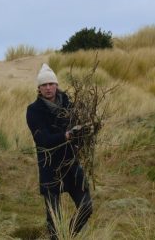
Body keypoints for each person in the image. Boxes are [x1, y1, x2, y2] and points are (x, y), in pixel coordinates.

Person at [26, 63, 92, 239]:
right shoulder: (33, 111)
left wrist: (88, 130)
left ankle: (68, 235)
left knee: (86, 206)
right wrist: (67, 135)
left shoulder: (69, 104)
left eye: (51, 84)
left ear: (56, 85)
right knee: (54, 221)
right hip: (49, 168)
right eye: (44, 85)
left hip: (71, 165)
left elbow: (79, 134)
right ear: (39, 89)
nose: (48, 88)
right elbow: (43, 140)